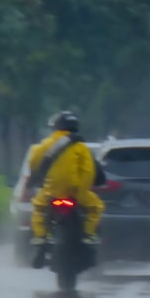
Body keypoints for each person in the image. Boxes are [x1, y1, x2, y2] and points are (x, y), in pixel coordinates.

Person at [26, 111, 105, 267]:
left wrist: (36, 179)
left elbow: (34, 160)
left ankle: (41, 239)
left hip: (51, 191)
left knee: (39, 210)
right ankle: (88, 236)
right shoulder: (81, 146)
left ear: (56, 126)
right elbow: (88, 169)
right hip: (76, 192)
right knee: (96, 207)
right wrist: (82, 191)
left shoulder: (47, 144)